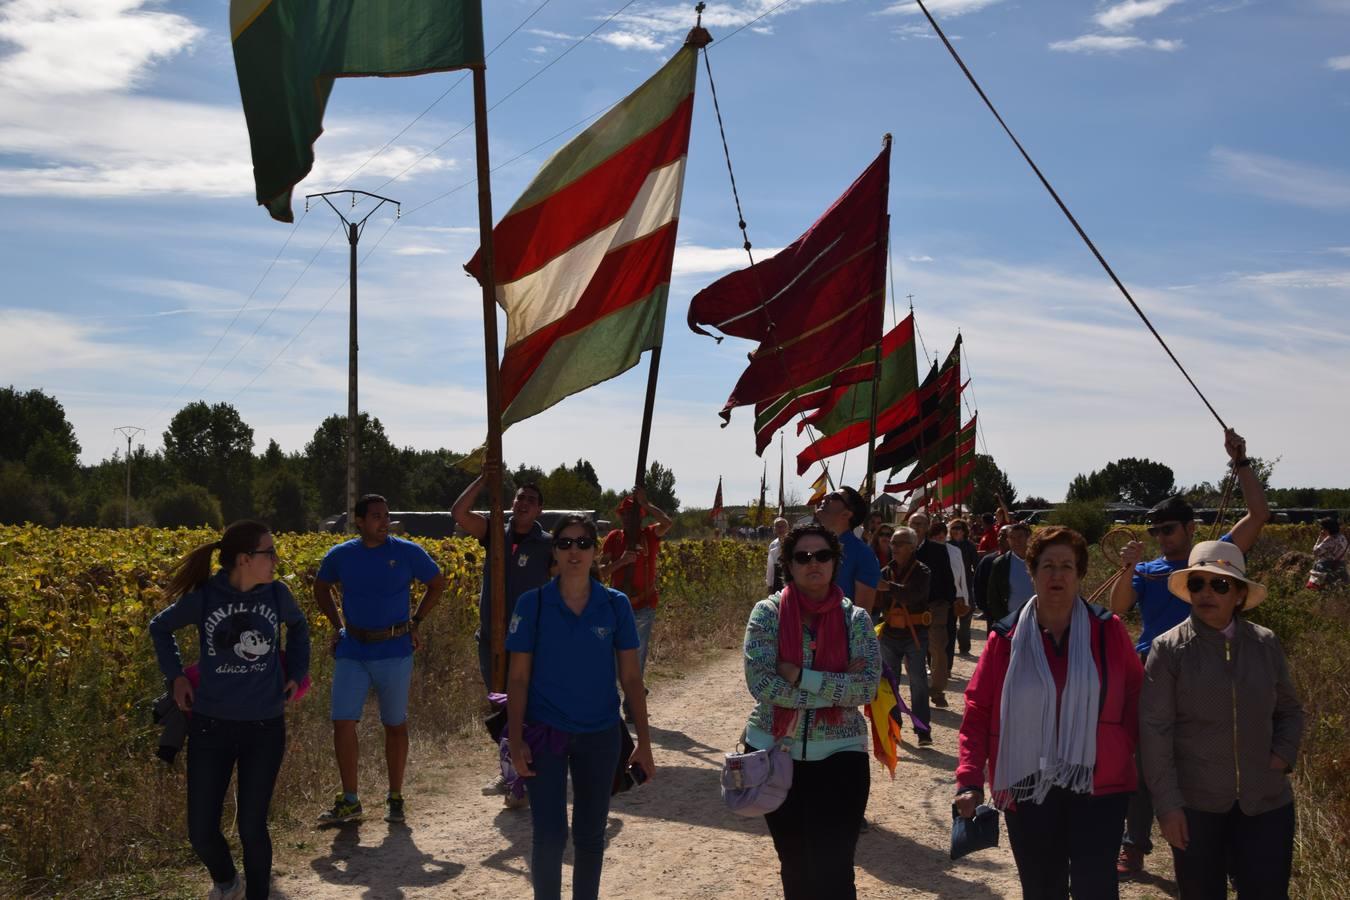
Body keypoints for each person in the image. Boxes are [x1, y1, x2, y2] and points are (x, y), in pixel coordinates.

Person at [1110, 428, 1269, 879]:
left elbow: (1258, 514)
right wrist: (1127, 568)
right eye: (1156, 530)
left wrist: (1240, 462)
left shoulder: (1213, 559)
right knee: (1144, 762)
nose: (1161, 537)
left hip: (1211, 670)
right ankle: (1134, 844)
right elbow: (1119, 609)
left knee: (1211, 758)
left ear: (1190, 528)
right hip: (1154, 671)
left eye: (1168, 529)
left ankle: (1224, 849)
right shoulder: (1147, 569)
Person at [955, 526, 1143, 900]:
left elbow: (1136, 702)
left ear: (1079, 574)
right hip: (1028, 784)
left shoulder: (1109, 631)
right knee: (1042, 888)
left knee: (1096, 888)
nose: (1057, 575)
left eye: (1067, 566)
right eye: (1047, 565)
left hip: (1100, 785)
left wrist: (1139, 761)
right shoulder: (1005, 639)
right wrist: (970, 779)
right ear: (1032, 571)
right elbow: (978, 710)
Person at [149, 521, 310, 900]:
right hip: (211, 727)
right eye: (268, 553)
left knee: (252, 826)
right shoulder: (207, 597)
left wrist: (297, 672)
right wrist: (176, 678)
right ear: (244, 559)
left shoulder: (277, 594)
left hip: (265, 726)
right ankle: (227, 883)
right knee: (201, 831)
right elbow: (161, 627)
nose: (275, 560)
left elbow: (299, 627)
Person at [1140, 540, 1304, 899]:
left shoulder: (1265, 643)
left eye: (1220, 584)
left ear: (1240, 594)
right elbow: (1154, 731)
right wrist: (1167, 806)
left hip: (1266, 803)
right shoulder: (1168, 649)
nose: (1206, 593)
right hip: (1197, 807)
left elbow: (1290, 710)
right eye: (1197, 583)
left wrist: (1281, 755)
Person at [506, 516, 654, 900]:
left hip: (600, 735)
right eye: (566, 543)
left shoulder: (615, 605)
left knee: (590, 835)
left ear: (595, 551)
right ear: (554, 551)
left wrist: (644, 742)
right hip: (546, 734)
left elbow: (632, 679)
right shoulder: (533, 604)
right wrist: (516, 738)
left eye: (583, 543)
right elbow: (518, 679)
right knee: (550, 834)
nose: (575, 551)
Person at [743, 523, 881, 899]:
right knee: (796, 866)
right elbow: (761, 683)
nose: (813, 563)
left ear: (836, 562)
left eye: (822, 555)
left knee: (834, 869)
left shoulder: (856, 620)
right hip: (775, 754)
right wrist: (835, 690)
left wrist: (802, 677)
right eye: (802, 557)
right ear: (788, 564)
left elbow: (867, 687)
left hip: (841, 757)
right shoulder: (767, 614)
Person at [313, 494, 446, 825]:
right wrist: (337, 626)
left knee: (395, 724)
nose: (384, 521)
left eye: (386, 515)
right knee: (342, 722)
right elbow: (321, 587)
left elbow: (437, 582)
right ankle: (350, 800)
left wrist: (416, 622)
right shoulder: (341, 555)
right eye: (375, 516)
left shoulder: (406, 552)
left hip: (394, 647)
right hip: (353, 648)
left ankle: (395, 796)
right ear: (358, 521)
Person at [453, 469, 554, 804]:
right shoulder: (495, 533)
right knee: (501, 704)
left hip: (530, 641)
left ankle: (528, 774)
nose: (523, 503)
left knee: (528, 706)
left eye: (531, 500)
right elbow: (459, 513)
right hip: (491, 640)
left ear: (539, 510)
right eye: (519, 497)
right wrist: (484, 479)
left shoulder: (547, 546)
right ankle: (510, 771)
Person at [598, 486, 674, 678]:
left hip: (643, 606)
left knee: (637, 654)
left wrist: (645, 503)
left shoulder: (649, 535)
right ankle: (617, 696)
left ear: (641, 516)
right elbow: (600, 573)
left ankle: (633, 697)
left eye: (632, 514)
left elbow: (667, 522)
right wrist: (622, 561)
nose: (628, 518)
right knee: (613, 655)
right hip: (617, 607)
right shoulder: (614, 538)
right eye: (624, 514)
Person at [877, 526, 934, 746]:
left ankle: (923, 730)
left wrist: (887, 587)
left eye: (899, 543)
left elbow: (912, 594)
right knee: (889, 684)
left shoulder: (923, 571)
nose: (894, 547)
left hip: (915, 634)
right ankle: (894, 728)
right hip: (890, 634)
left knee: (918, 681)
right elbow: (877, 600)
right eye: (892, 543)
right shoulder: (885, 571)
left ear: (912, 547)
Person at [906, 511, 957, 708]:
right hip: (909, 607)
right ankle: (917, 690)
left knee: (937, 648)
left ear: (927, 527)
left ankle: (937, 689)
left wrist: (949, 602)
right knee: (912, 650)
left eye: (921, 523)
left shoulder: (938, 550)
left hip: (936, 605)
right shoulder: (902, 548)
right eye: (914, 523)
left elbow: (947, 577)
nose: (917, 527)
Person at [815, 487, 881, 614]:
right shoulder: (811, 546)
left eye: (834, 496)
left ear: (846, 514)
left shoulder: (863, 555)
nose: (825, 497)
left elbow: (862, 618)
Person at [929, 520, 971, 671]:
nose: (940, 536)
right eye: (936, 534)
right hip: (933, 598)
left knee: (950, 631)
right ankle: (932, 664)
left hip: (954, 597)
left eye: (942, 533)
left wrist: (965, 598)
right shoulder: (927, 551)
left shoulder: (955, 551)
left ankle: (947, 666)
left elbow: (962, 577)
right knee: (932, 634)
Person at [984, 522, 1034, 625]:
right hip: (1011, 622)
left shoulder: (1040, 560)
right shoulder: (1000, 564)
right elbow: (993, 596)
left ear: (1028, 538)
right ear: (1008, 540)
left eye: (1020, 536)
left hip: (1039, 620)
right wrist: (1004, 620)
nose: (1016, 541)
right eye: (1012, 537)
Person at [948, 519, 979, 655]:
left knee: (965, 620)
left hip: (966, 586)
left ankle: (964, 648)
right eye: (953, 527)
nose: (956, 530)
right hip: (950, 587)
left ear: (964, 530)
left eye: (959, 528)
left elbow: (977, 565)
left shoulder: (970, 546)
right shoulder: (946, 545)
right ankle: (948, 649)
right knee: (950, 622)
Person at [972, 527, 1011, 630]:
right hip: (993, 615)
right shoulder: (988, 560)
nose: (1000, 538)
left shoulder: (1022, 561)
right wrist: (985, 608)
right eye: (999, 535)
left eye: (1004, 535)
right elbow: (978, 584)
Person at [1311, 516, 1347, 586]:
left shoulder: (1329, 540)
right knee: (1340, 588)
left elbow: (1315, 552)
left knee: (1323, 589)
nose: (1321, 530)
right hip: (1341, 566)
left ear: (1327, 529)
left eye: (1322, 528)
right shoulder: (1342, 537)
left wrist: (1320, 538)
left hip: (1326, 567)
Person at [765, 516, 790, 593]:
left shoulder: (793, 542)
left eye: (783, 526)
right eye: (778, 526)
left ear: (787, 528)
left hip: (790, 575)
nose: (780, 528)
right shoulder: (772, 545)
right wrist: (769, 584)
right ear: (774, 529)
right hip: (777, 578)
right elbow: (770, 566)